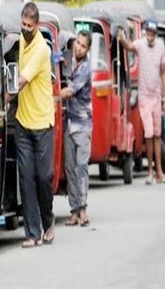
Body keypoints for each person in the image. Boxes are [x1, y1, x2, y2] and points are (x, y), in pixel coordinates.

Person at [14, 2, 55, 248]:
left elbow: (21, 80)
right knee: (26, 178)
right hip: (22, 121)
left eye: (29, 26)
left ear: (36, 25)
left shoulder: (42, 49)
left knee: (43, 177)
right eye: (23, 24)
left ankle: (47, 221)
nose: (26, 29)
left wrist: (8, 92)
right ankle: (31, 232)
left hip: (42, 122)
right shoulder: (20, 39)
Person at [119, 20, 165, 184]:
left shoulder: (160, 47)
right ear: (145, 33)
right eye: (148, 33)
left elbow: (162, 73)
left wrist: (164, 98)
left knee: (157, 135)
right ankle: (150, 171)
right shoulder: (140, 45)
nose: (150, 36)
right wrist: (121, 38)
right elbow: (129, 47)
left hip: (156, 96)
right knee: (148, 134)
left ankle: (159, 172)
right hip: (144, 97)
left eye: (152, 34)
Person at [59, 31, 93, 226]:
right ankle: (74, 210)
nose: (78, 47)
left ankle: (83, 208)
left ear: (87, 49)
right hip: (69, 123)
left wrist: (52, 95)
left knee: (81, 167)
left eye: (82, 45)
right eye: (77, 43)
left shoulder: (85, 69)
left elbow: (70, 90)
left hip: (82, 125)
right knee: (70, 169)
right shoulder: (69, 61)